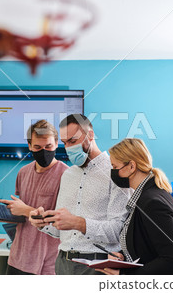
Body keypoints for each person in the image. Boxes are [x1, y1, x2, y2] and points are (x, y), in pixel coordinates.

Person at [29, 114, 130, 275]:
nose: (68, 147)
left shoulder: (116, 172)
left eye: (73, 141)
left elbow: (119, 230)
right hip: (63, 264)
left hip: (97, 266)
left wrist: (79, 223)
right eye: (64, 143)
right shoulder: (68, 175)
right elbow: (63, 230)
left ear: (90, 135)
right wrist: (44, 223)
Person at [96, 138, 173, 275]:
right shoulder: (146, 196)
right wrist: (124, 256)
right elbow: (148, 246)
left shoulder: (152, 202)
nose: (112, 172)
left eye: (114, 167)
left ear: (132, 166)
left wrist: (125, 276)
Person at [0, 120, 68, 275]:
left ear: (56, 143)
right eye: (37, 147)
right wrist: (6, 215)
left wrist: (26, 209)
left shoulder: (67, 175)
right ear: (29, 145)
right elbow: (23, 214)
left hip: (48, 264)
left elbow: (64, 222)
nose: (44, 151)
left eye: (48, 146)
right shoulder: (23, 172)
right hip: (18, 258)